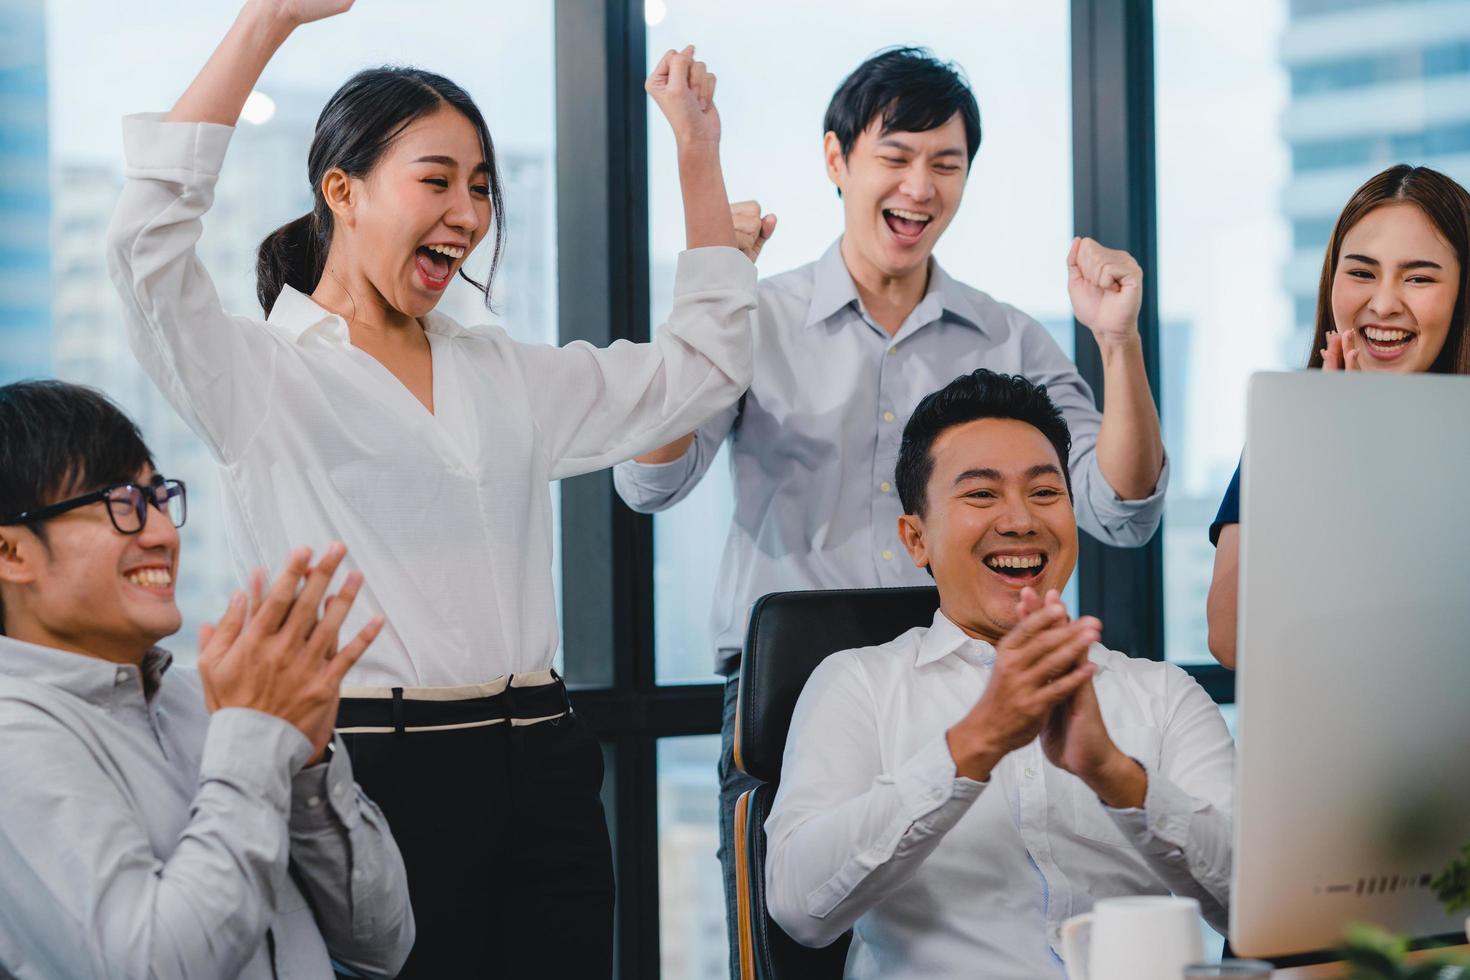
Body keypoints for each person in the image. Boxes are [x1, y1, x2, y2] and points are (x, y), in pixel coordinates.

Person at [107, 1, 755, 974]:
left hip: (545, 758)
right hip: (371, 769)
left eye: (483, 187)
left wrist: (697, 156)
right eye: (438, 179)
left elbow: (700, 369)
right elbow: (145, 245)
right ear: (344, 189)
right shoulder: (261, 375)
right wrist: (267, 23)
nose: (469, 211)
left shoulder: (505, 373)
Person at [611, 46, 1168, 966]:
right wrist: (703, 317)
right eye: (896, 156)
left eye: (945, 165)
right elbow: (650, 482)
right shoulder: (757, 318)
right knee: (787, 950)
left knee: (959, 943)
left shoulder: (1007, 335)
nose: (920, 186)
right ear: (837, 161)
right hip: (790, 692)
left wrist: (1119, 345)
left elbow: (1122, 509)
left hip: (960, 681)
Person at [763, 369, 1231, 978]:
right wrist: (972, 744)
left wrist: (1116, 777)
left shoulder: (1163, 695)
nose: (1020, 521)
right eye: (981, 494)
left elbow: (1252, 906)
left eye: (1044, 493)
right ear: (916, 538)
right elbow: (800, 907)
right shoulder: (858, 684)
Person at [0, 380, 412, 979]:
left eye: (159, 497)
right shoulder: (15, 737)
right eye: (121, 504)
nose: (164, 534)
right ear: (12, 554)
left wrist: (309, 766)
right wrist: (252, 738)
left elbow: (381, 948)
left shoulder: (211, 700)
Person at [1206, 164, 1470, 668]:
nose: (1385, 303)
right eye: (1361, 273)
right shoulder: (1289, 434)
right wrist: (1324, 458)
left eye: (1418, 278)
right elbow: (1232, 638)